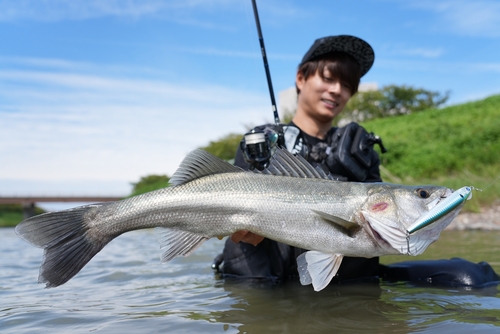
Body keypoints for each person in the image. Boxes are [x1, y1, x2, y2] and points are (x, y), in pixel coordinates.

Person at [213, 35, 500, 288]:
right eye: (328, 78)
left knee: (473, 277)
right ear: (301, 78)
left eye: (347, 84)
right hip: (268, 280)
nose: (337, 90)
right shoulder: (262, 142)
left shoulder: (359, 148)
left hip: (347, 278)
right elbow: (237, 220)